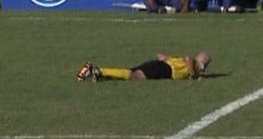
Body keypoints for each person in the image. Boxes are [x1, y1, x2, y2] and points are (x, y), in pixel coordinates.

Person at [75, 51, 211, 82]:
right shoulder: (191, 63)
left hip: (160, 66)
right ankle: (99, 70)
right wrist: (194, 74)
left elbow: (160, 55)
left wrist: (167, 58)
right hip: (162, 69)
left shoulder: (177, 61)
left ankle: (97, 73)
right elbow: (189, 59)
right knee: (133, 76)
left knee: (130, 74)